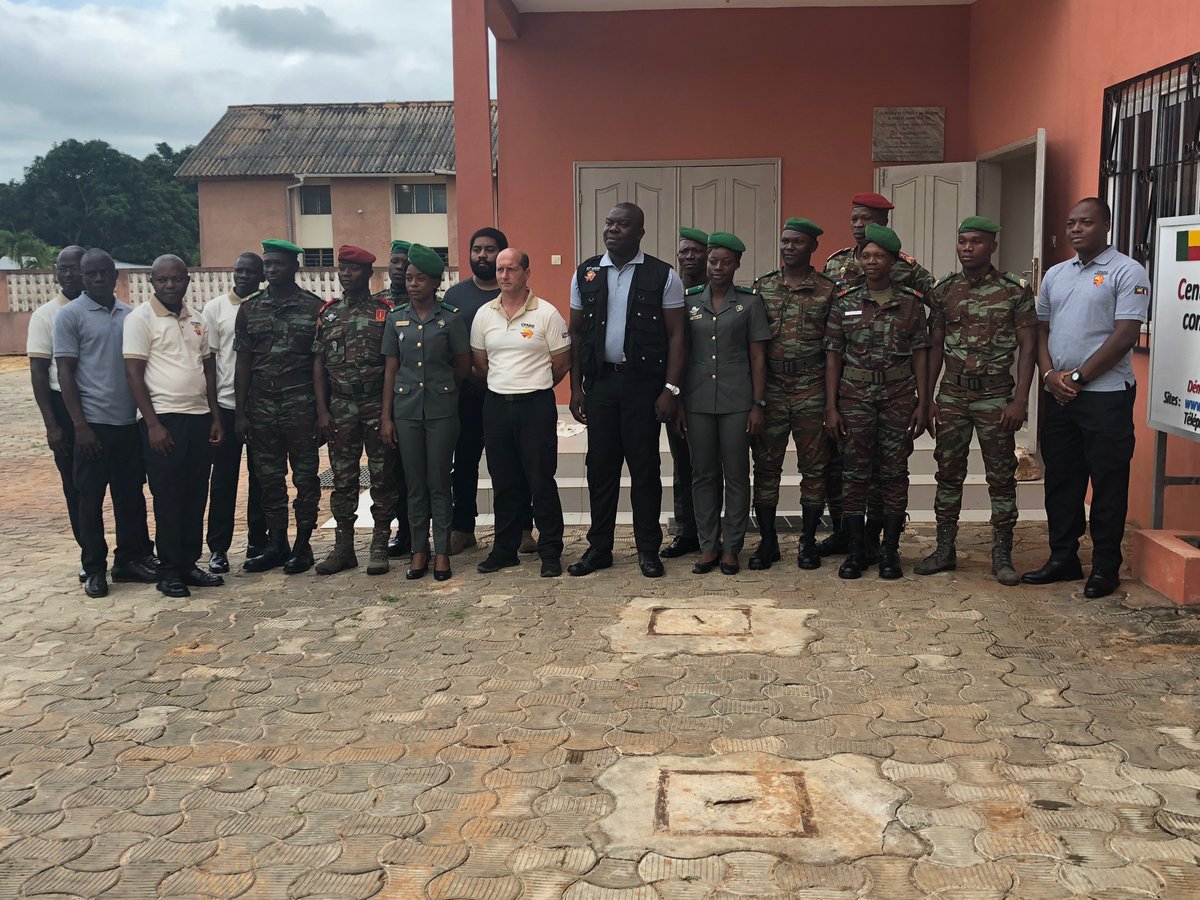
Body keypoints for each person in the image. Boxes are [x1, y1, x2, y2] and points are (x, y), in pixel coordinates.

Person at [1022, 197, 1149, 599]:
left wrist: (1077, 377)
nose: (1077, 229)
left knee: (1108, 481)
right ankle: (1064, 558)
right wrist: (1049, 375)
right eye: (1072, 222)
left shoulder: (1128, 271)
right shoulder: (1056, 275)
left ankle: (1106, 566)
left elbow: (1125, 335)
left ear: (1106, 226)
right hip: (1059, 396)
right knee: (1061, 479)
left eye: (1087, 222)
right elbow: (1042, 330)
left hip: (1105, 397)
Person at [567, 202, 686, 579]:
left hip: (643, 386)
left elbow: (677, 335)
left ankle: (648, 550)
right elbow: (577, 334)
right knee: (599, 469)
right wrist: (575, 388)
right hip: (601, 384)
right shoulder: (586, 273)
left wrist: (671, 389)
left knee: (644, 469)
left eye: (622, 224)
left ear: (640, 232)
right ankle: (599, 548)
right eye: (609, 223)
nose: (613, 229)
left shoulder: (662, 275)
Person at [917, 217, 1037, 584]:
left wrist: (1020, 401)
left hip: (996, 396)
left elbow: (1029, 346)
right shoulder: (943, 291)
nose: (967, 248)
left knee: (1001, 477)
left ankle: (1002, 555)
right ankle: (944, 549)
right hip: (952, 394)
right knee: (947, 473)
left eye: (976, 242)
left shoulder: (1014, 291)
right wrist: (929, 399)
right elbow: (934, 346)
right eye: (963, 241)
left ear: (992, 247)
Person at [821, 192, 935, 561]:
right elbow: (830, 337)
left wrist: (925, 397)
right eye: (854, 219)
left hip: (897, 390)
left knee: (890, 469)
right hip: (852, 389)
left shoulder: (910, 279)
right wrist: (831, 401)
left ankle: (881, 543)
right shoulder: (837, 266)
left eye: (866, 221)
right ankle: (850, 539)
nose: (858, 227)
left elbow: (938, 313)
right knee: (848, 468)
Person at [54, 248, 156, 598]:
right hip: (92, 426)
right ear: (83, 278)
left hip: (128, 424)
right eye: (91, 274)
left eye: (104, 273)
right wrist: (79, 426)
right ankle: (95, 568)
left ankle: (129, 560)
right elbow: (65, 374)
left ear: (116, 276)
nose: (98, 279)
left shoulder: (130, 316)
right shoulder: (70, 316)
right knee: (90, 500)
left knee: (130, 497)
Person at [124, 255, 225, 597]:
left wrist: (215, 416)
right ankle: (168, 570)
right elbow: (134, 375)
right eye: (162, 279)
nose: (170, 285)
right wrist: (152, 424)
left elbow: (208, 370)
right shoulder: (140, 319)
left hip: (199, 420)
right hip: (163, 421)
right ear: (152, 282)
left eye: (176, 279)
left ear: (187, 280)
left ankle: (188, 563)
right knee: (167, 496)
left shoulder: (197, 319)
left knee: (196, 494)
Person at [471, 248, 571, 577]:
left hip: (535, 406)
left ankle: (551, 551)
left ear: (527, 273)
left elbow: (561, 363)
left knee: (541, 479)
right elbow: (481, 363)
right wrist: (506, 385)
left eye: (511, 269)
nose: (504, 275)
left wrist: (534, 384)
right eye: (500, 269)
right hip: (497, 405)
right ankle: (505, 549)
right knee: (503, 481)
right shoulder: (485, 314)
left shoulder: (547, 314)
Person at [677, 232, 770, 575]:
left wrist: (758, 404)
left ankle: (732, 547)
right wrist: (680, 403)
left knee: (736, 474)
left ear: (737, 265)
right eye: (713, 261)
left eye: (726, 262)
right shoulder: (688, 301)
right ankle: (707, 546)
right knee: (702, 474)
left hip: (737, 401)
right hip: (697, 400)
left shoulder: (750, 302)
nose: (718, 267)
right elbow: (681, 355)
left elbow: (758, 357)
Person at [749, 218, 839, 570]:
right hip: (770, 388)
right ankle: (768, 542)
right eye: (785, 241)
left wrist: (831, 405)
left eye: (797, 242)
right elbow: (753, 346)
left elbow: (833, 350)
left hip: (811, 386)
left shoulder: (828, 291)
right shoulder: (763, 287)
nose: (789, 247)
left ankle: (807, 542)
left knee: (815, 468)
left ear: (812, 247)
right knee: (766, 466)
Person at [380, 244, 471, 581]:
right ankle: (420, 550)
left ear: (435, 282)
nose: (413, 283)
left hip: (441, 410)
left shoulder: (450, 317)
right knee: (414, 484)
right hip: (405, 412)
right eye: (409, 278)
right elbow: (391, 369)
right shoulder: (396, 317)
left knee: (438, 483)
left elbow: (462, 366)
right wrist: (386, 417)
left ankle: (442, 551)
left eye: (420, 278)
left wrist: (441, 388)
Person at [444, 227, 536, 557]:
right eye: (477, 249)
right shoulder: (455, 297)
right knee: (465, 462)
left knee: (516, 464)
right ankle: (462, 528)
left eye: (490, 250)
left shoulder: (514, 295)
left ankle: (522, 528)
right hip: (467, 395)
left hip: (509, 394)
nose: (482, 255)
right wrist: (469, 376)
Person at [234, 238, 323, 574]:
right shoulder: (250, 308)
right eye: (268, 264)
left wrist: (320, 412)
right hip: (261, 408)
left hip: (300, 407)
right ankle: (276, 544)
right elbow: (242, 364)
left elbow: (320, 365)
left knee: (305, 479)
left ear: (294, 267)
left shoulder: (314, 308)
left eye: (278, 264)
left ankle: (303, 545)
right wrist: (240, 413)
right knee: (269, 480)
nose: (271, 270)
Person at [312, 245, 401, 576]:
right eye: (342, 268)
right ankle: (343, 547)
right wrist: (322, 410)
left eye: (352, 269)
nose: (345, 274)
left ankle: (379, 543)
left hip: (377, 403)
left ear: (368, 273)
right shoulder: (329, 313)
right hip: (341, 406)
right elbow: (318, 364)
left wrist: (388, 414)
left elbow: (394, 364)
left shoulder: (386, 311)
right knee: (343, 477)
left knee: (382, 476)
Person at [203, 252, 267, 573]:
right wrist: (214, 413)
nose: (243, 276)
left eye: (250, 272)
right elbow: (210, 366)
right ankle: (218, 548)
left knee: (261, 479)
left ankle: (258, 542)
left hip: (262, 408)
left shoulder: (267, 307)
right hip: (227, 409)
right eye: (238, 270)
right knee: (224, 480)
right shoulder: (214, 310)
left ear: (261, 276)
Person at [27, 244, 88, 580]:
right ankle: (89, 554)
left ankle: (132, 552)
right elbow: (38, 372)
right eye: (62, 268)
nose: (68, 274)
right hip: (64, 409)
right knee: (75, 486)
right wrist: (53, 425)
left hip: (104, 409)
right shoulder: (45, 315)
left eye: (74, 267)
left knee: (122, 485)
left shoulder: (106, 310)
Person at [660, 226, 707, 560]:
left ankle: (712, 532)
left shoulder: (718, 292)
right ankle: (686, 531)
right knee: (683, 465)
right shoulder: (668, 293)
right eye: (683, 252)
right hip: (679, 394)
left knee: (711, 467)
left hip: (714, 393)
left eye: (695, 251)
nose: (689, 257)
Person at [376, 239, 412, 560]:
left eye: (406, 263)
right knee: (389, 473)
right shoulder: (374, 304)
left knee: (410, 471)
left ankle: (412, 531)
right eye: (396, 262)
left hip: (414, 402)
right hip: (382, 401)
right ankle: (394, 533)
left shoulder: (427, 303)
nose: (400, 268)